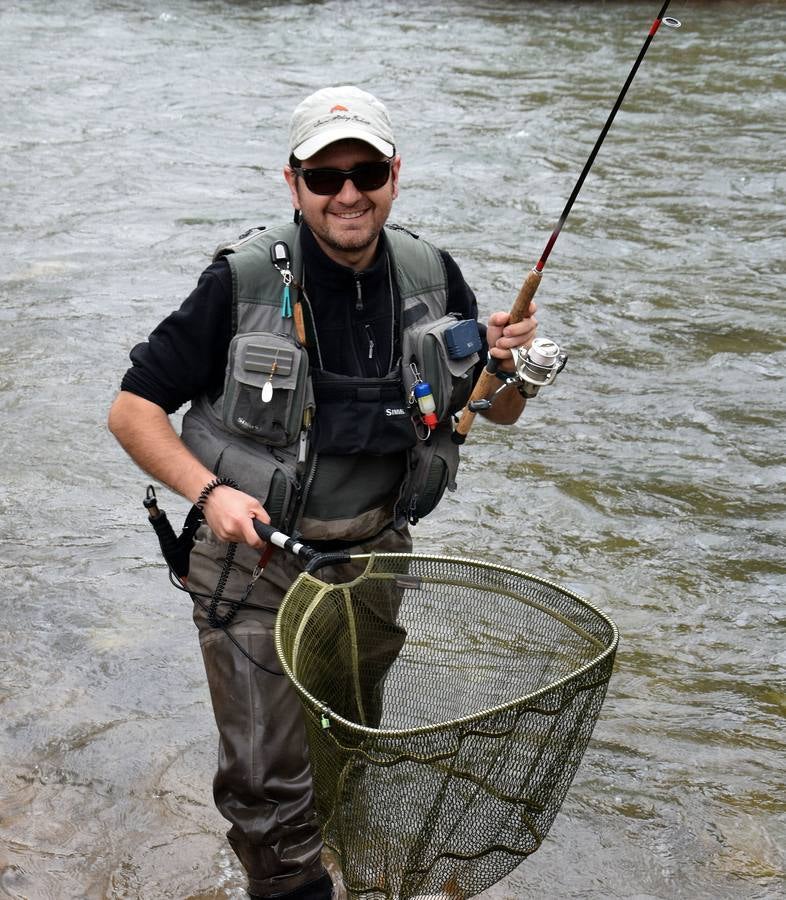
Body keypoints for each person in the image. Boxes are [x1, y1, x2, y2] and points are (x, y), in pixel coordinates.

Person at [108, 85, 537, 900]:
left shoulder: (431, 272)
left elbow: (498, 409)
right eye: (325, 176)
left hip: (373, 558)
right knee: (269, 776)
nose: (348, 193)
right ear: (293, 183)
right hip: (254, 561)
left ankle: (336, 860)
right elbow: (131, 412)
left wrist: (511, 365)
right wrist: (209, 496)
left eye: (365, 171)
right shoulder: (237, 282)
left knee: (345, 737)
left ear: (394, 176)